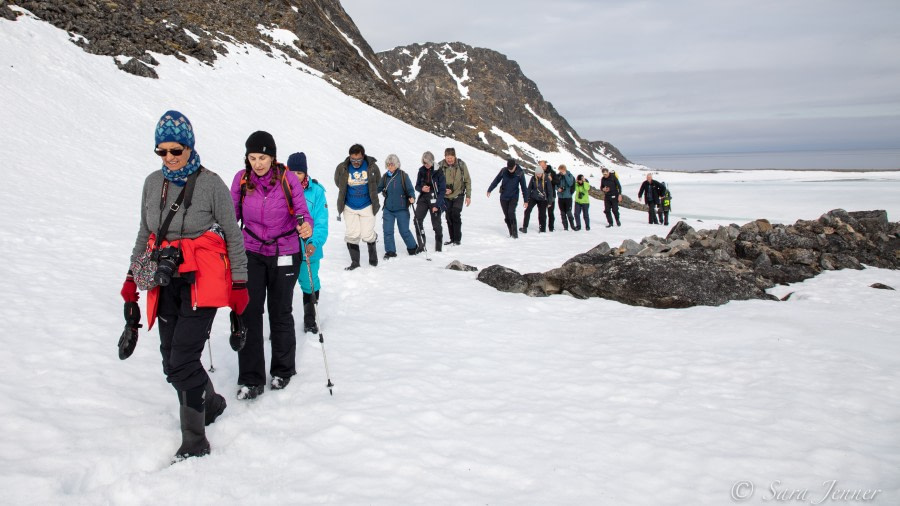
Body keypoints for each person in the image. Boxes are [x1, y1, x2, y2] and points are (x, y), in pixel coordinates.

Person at [122, 110, 248, 461]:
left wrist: (240, 285)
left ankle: (195, 440)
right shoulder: (151, 183)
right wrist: (131, 283)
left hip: (201, 282)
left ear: (190, 146)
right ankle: (211, 403)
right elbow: (144, 234)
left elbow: (233, 238)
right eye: (161, 151)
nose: (169, 158)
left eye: (175, 150)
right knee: (170, 362)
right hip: (165, 283)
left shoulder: (211, 184)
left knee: (182, 361)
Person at [231, 131, 313, 400]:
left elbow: (302, 211)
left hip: (285, 251)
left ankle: (283, 370)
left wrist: (305, 225)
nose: (258, 163)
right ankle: (251, 378)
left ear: (272, 157)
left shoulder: (288, 179)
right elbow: (231, 215)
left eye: (263, 157)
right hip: (252, 252)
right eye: (253, 157)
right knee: (250, 312)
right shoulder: (242, 180)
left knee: (279, 312)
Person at [286, 152, 328, 334]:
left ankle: (310, 318)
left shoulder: (316, 192)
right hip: (285, 248)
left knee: (309, 281)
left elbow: (320, 222)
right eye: (292, 172)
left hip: (307, 248)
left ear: (306, 173)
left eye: (300, 173)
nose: (296, 177)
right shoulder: (280, 190)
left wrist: (314, 242)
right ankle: (281, 323)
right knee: (282, 285)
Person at [334, 144, 382, 269]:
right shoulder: (342, 167)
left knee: (367, 234)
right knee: (352, 234)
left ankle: (373, 254)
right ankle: (355, 262)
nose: (355, 162)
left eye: (358, 160)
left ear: (363, 156)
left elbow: (378, 182)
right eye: (353, 160)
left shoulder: (372, 167)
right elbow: (338, 182)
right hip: (349, 206)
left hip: (367, 206)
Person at [377, 154, 418, 258]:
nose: (390, 166)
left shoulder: (403, 176)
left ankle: (413, 248)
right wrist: (370, 189)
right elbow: (378, 188)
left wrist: (412, 197)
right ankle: (390, 251)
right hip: (388, 209)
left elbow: (410, 190)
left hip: (402, 209)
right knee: (387, 231)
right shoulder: (385, 177)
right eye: (388, 164)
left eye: (392, 164)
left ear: (396, 165)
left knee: (404, 231)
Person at [486, 158, 528, 238]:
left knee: (511, 213)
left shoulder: (520, 173)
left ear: (515, 166)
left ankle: (515, 235)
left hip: (514, 197)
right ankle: (511, 233)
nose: (510, 170)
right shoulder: (504, 171)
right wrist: (490, 189)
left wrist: (526, 200)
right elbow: (496, 180)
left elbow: (524, 188)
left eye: (511, 169)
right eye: (509, 168)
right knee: (507, 216)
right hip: (503, 197)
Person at [438, 147, 472, 246]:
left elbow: (467, 180)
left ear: (454, 156)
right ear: (445, 157)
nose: (449, 160)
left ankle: (457, 239)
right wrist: (443, 190)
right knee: (448, 216)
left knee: (455, 214)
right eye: (447, 158)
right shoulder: (440, 165)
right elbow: (435, 181)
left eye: (451, 158)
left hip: (459, 194)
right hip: (445, 196)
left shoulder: (461, 165)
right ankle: (452, 239)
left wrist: (468, 196)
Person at [413, 151, 446, 252]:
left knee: (436, 224)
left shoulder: (439, 171)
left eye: (427, 162)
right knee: (417, 220)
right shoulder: (421, 171)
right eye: (424, 163)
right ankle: (421, 245)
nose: (425, 165)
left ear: (432, 161)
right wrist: (422, 188)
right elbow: (417, 186)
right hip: (423, 197)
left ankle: (438, 247)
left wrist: (438, 204)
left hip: (435, 198)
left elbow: (442, 190)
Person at [520, 167, 553, 233]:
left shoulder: (546, 179)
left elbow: (550, 190)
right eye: (537, 174)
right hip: (534, 197)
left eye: (539, 174)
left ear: (542, 173)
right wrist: (526, 200)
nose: (538, 175)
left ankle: (542, 229)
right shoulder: (533, 178)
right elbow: (529, 189)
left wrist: (550, 202)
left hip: (543, 199)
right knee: (527, 211)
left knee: (542, 214)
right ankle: (525, 227)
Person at [556, 164, 576, 231]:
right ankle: (565, 227)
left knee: (568, 212)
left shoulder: (570, 175)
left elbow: (570, 183)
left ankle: (572, 226)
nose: (560, 172)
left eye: (562, 171)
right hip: (560, 197)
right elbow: (554, 184)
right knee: (562, 213)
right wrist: (558, 189)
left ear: (564, 170)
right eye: (560, 171)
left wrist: (565, 175)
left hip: (568, 197)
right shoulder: (558, 176)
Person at [539, 160, 558, 231]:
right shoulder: (539, 172)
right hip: (542, 196)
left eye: (542, 166)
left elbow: (557, 182)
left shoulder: (552, 172)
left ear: (545, 165)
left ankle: (551, 227)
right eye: (540, 166)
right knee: (542, 213)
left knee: (550, 212)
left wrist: (552, 179)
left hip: (551, 195)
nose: (541, 167)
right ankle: (542, 227)